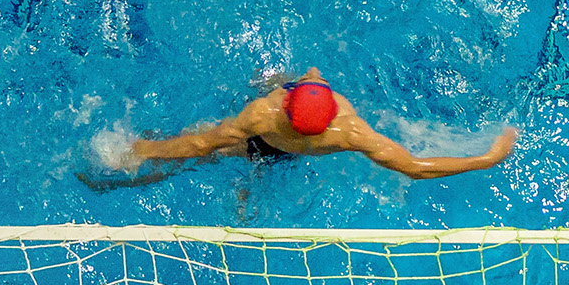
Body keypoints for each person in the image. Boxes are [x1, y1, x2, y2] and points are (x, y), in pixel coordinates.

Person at [111, 69, 517, 183]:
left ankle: (119, 176)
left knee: (200, 153)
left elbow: (200, 143)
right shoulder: (351, 131)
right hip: (294, 152)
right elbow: (414, 168)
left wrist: (141, 150)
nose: (315, 73)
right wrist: (487, 158)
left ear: (285, 103)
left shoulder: (262, 114)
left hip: (259, 143)